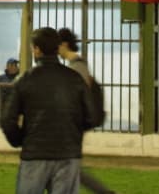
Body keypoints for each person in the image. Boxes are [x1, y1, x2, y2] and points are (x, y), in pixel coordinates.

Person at [1, 27, 102, 194]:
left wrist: (20, 140)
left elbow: (7, 119)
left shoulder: (25, 80)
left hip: (34, 153)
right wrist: (73, 135)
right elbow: (92, 117)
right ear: (57, 48)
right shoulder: (74, 78)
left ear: (37, 49)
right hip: (68, 154)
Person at [54, 28, 113, 194]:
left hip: (74, 124)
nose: (56, 50)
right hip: (75, 124)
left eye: (57, 45)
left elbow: (77, 97)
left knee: (69, 167)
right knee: (69, 167)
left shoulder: (77, 67)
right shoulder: (78, 65)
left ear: (64, 44)